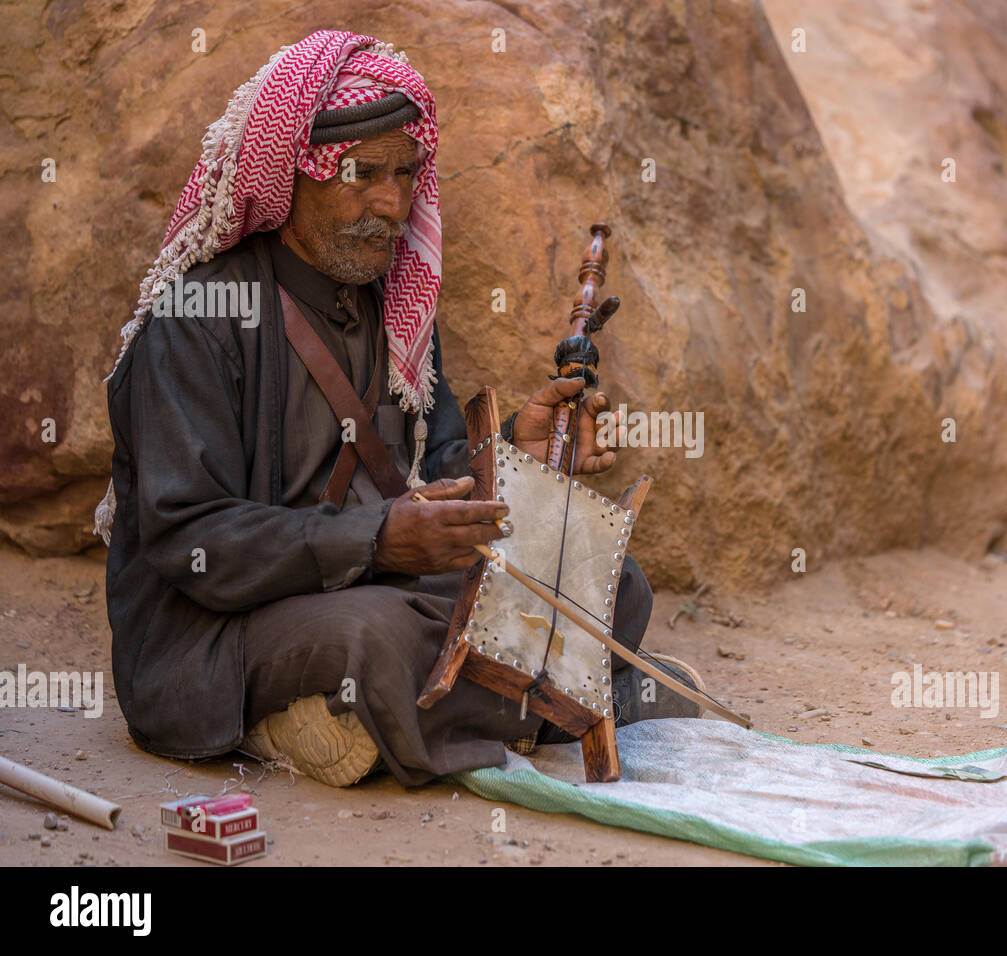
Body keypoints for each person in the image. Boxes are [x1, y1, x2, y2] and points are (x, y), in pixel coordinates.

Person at [96, 30, 703, 788]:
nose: (390, 204)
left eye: (405, 174)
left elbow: (435, 468)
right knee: (376, 639)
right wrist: (376, 540)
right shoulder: (198, 316)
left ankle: (377, 720)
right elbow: (192, 541)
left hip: (380, 584)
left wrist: (519, 451)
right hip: (222, 629)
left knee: (607, 578)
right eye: (362, 176)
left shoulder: (396, 310)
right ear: (294, 175)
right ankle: (561, 698)